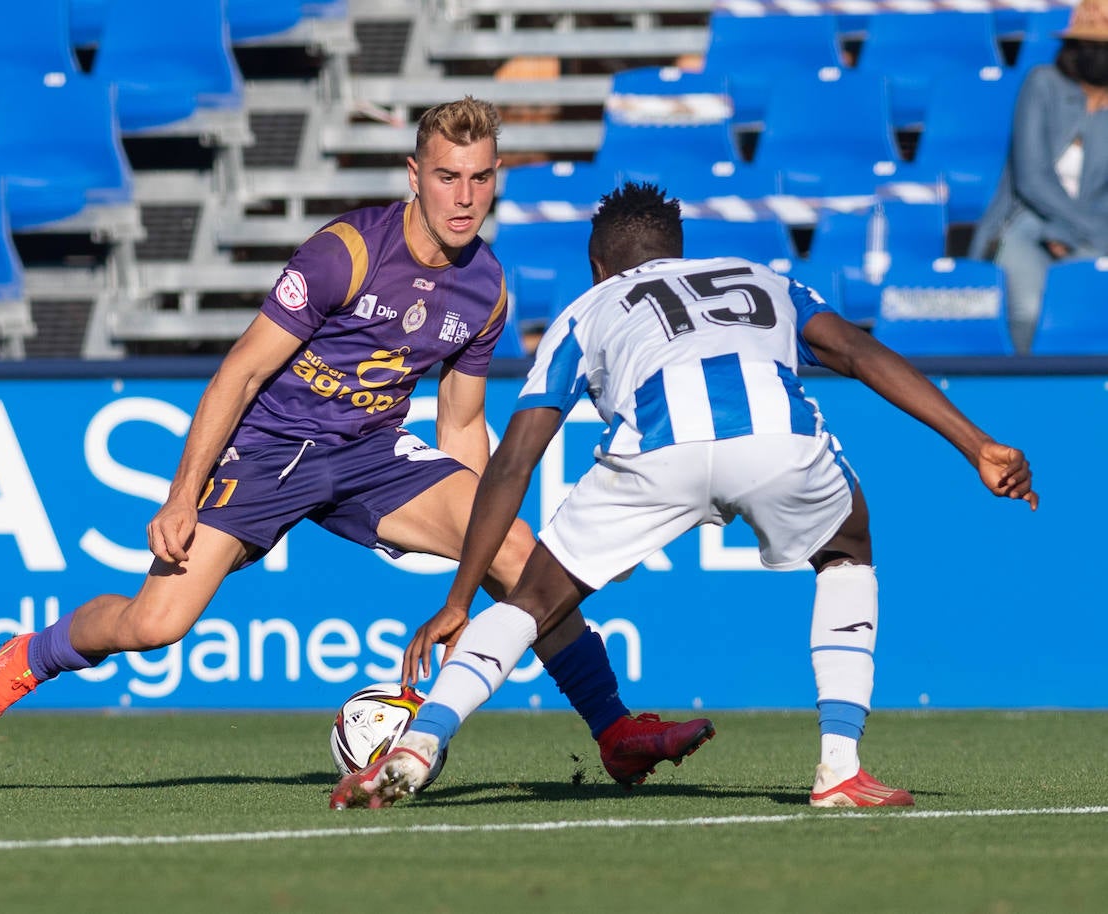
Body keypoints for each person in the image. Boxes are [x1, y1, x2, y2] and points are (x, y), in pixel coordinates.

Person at [0, 99, 715, 786]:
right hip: (271, 447)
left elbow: (458, 424)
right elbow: (238, 376)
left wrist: (473, 555)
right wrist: (181, 495)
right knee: (156, 626)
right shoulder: (346, 251)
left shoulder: (486, 285)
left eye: (479, 179)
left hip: (372, 455)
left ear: (497, 176)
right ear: (414, 174)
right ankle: (31, 657)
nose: (464, 196)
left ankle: (615, 732)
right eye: (447, 176)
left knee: (517, 555)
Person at [331, 182, 1038, 811]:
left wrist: (460, 597)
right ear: (680, 249)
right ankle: (840, 768)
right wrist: (976, 443)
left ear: (597, 265)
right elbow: (858, 353)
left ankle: (419, 746)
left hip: (656, 452)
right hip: (777, 442)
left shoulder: (586, 309)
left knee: (532, 602)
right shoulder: (764, 278)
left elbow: (516, 459)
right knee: (846, 546)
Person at [971, 0, 1108, 354]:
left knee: (1086, 308)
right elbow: (1031, 178)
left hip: (1095, 230)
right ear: (1073, 47)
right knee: (1028, 309)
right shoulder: (1043, 83)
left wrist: (1078, 232)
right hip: (1026, 222)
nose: (1098, 54)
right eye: (1090, 45)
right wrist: (1072, 230)